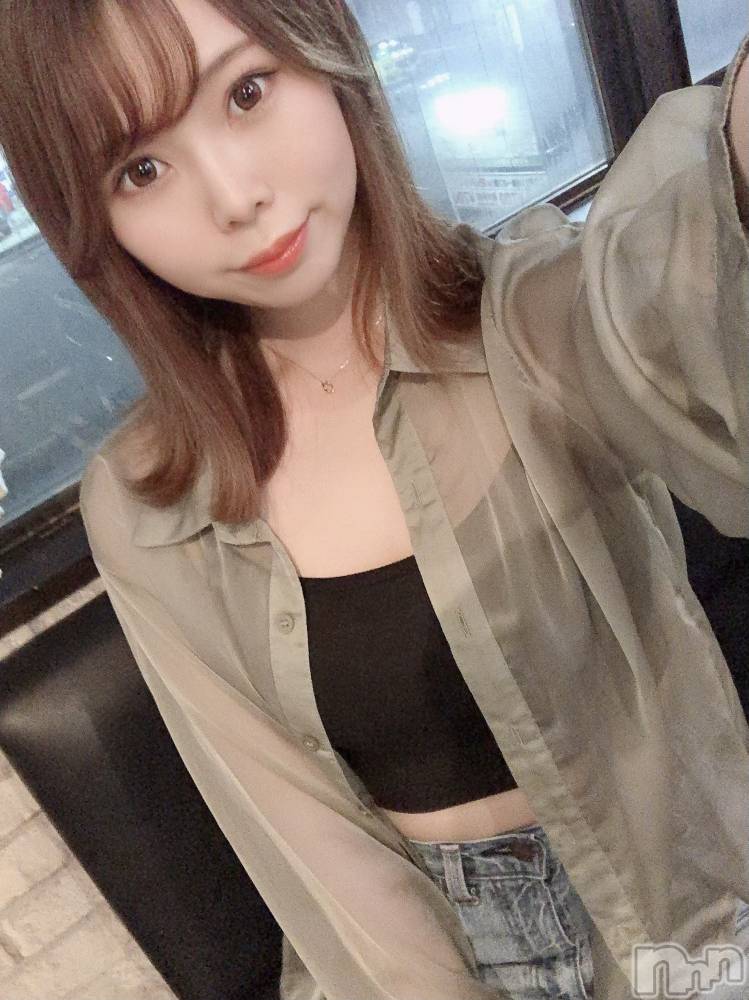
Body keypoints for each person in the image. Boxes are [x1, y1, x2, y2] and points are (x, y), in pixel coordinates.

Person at [1, 1, 747, 997]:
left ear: (329, 54)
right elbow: (311, 851)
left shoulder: (524, 319)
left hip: (680, 906)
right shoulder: (146, 509)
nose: (234, 196)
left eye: (247, 92)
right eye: (140, 169)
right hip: (426, 953)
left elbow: (674, 313)